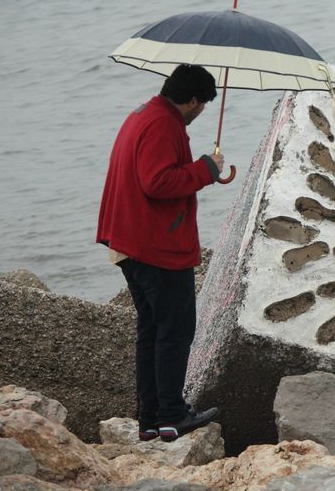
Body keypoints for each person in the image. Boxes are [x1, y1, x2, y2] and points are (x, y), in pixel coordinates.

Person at [97, 64, 222, 442]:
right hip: (154, 246)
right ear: (193, 101)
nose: (201, 114)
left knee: (152, 332)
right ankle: (171, 415)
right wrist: (205, 169)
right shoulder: (164, 125)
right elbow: (157, 182)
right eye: (203, 106)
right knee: (175, 331)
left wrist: (203, 170)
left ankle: (150, 421)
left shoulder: (143, 114)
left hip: (130, 241)